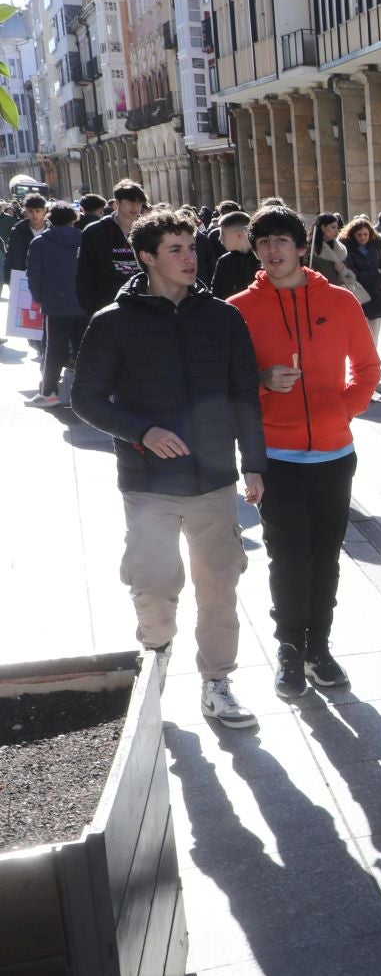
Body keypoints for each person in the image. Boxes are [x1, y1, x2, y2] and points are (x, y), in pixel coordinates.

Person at [71, 208, 267, 729]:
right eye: (175, 249)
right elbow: (85, 397)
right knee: (155, 585)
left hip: (213, 481)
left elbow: (244, 395)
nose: (189, 257)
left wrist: (254, 464)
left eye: (191, 247)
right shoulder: (113, 322)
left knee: (219, 587)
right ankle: (155, 657)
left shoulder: (222, 317)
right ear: (146, 257)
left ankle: (217, 682)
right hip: (148, 484)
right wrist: (142, 432)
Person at [229, 205, 381, 701]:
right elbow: (224, 386)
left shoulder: (339, 301)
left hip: (334, 456)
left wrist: (343, 410)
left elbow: (367, 367)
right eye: (264, 243)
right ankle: (290, 650)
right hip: (278, 457)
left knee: (325, 559)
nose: (273, 251)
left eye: (282, 241)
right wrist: (261, 381)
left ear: (299, 247)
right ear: (255, 251)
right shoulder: (239, 309)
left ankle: (320, 647)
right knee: (288, 557)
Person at [25, 202, 83, 407]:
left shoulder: (40, 243)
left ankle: (49, 392)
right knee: (85, 349)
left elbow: (34, 275)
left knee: (54, 350)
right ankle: (89, 394)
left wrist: (40, 298)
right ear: (73, 219)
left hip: (55, 303)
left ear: (50, 218)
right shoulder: (84, 240)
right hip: (84, 301)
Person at [77, 180, 145, 317]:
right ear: (117, 203)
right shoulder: (95, 232)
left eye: (139, 202)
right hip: (105, 305)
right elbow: (84, 273)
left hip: (142, 305)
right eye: (130, 201)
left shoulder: (148, 231)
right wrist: (90, 308)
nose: (135, 206)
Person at [343, 217, 381, 327]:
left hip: (376, 296)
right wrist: (374, 273)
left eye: (365, 234)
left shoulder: (377, 247)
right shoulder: (346, 249)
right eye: (359, 235)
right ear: (353, 235)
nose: (363, 238)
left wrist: (378, 276)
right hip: (358, 294)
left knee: (375, 336)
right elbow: (351, 273)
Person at [209, 211, 260, 300]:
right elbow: (216, 295)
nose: (220, 238)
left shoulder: (262, 259)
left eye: (223, 234)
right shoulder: (223, 262)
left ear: (239, 235)